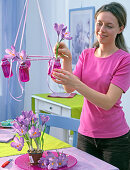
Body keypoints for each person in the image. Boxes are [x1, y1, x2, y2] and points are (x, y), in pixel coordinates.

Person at [52, 2, 130, 170]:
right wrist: (67, 60)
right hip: (85, 135)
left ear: (120, 28)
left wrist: (77, 84)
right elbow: (69, 88)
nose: (101, 30)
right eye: (99, 23)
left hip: (115, 140)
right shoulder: (87, 54)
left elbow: (108, 102)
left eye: (109, 26)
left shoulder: (124, 60)